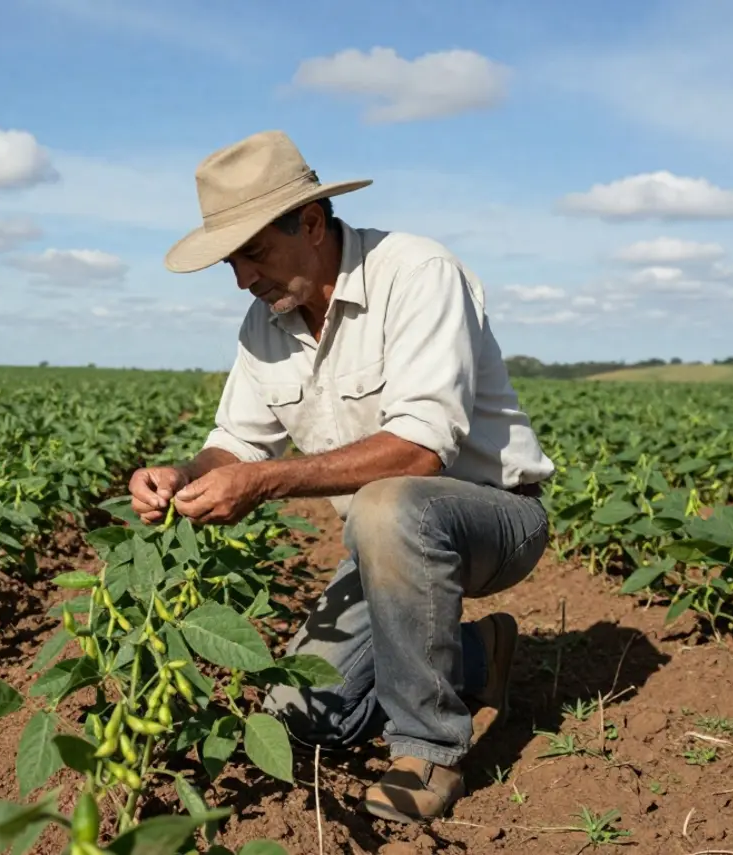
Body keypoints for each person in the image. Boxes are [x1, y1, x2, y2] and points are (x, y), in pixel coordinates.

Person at [127, 129, 555, 824]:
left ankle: (430, 750)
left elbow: (421, 450)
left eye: (255, 252)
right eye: (232, 261)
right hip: (384, 541)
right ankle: (479, 654)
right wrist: (181, 475)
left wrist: (265, 482)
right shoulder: (266, 323)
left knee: (387, 503)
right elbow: (235, 440)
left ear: (315, 222)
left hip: (494, 518)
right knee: (304, 709)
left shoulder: (416, 272)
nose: (243, 277)